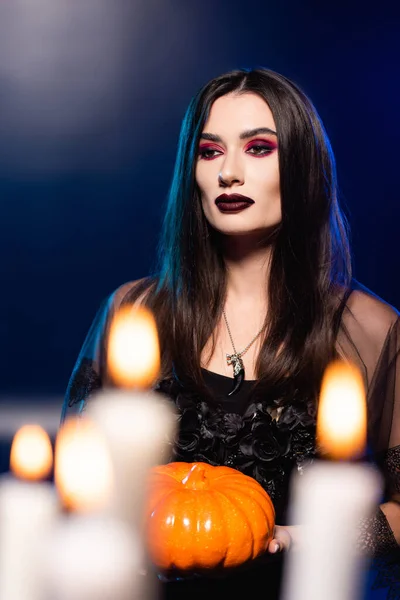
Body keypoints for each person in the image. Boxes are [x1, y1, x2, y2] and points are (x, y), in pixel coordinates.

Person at [61, 67, 400, 599]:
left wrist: (299, 538)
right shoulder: (134, 312)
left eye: (259, 148)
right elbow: (77, 478)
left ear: (304, 167)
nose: (229, 173)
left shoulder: (370, 330)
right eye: (210, 151)